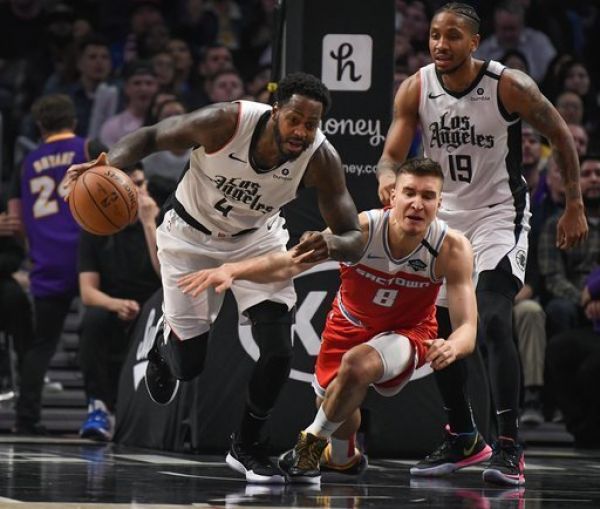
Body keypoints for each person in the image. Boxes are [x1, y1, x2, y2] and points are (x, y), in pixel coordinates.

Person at [62, 72, 363, 483]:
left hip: (257, 240)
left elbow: (352, 235)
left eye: (311, 125)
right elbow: (151, 136)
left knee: (278, 350)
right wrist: (108, 163)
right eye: (294, 119)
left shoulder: (320, 158)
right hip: (189, 238)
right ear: (276, 112)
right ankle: (165, 346)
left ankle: (247, 445)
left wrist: (331, 245)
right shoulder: (226, 121)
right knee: (188, 366)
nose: (301, 131)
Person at [376, 2, 587, 486]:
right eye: (433, 35)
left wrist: (574, 202)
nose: (439, 44)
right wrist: (389, 181)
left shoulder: (508, 85)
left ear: (475, 43)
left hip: (498, 215)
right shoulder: (417, 88)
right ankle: (465, 437)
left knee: (491, 319)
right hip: (443, 219)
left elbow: (561, 134)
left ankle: (510, 446)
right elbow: (390, 156)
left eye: (452, 36)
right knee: (439, 328)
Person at [178, 158, 479, 484]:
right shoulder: (361, 231)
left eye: (428, 196)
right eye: (409, 193)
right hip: (348, 324)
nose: (418, 204)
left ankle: (307, 445)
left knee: (357, 364)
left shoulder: (452, 248)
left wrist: (451, 347)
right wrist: (232, 270)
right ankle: (343, 457)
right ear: (393, 196)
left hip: (410, 332)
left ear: (440, 203)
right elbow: (288, 265)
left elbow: (467, 328)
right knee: (336, 405)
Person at [8, 94, 105, 434]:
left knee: (42, 344)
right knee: (97, 336)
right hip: (88, 254)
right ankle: (101, 410)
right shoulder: (89, 145)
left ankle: (26, 418)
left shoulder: (27, 160)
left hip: (46, 260)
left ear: (39, 126)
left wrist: (34, 248)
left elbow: (16, 221)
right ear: (73, 121)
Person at [77, 163, 161, 441]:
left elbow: (165, 273)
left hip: (155, 303)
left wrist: (150, 224)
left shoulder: (158, 218)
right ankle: (99, 407)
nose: (141, 191)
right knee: (93, 320)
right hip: (114, 303)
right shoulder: (95, 227)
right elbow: (88, 292)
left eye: (142, 183)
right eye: (133, 185)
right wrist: (116, 305)